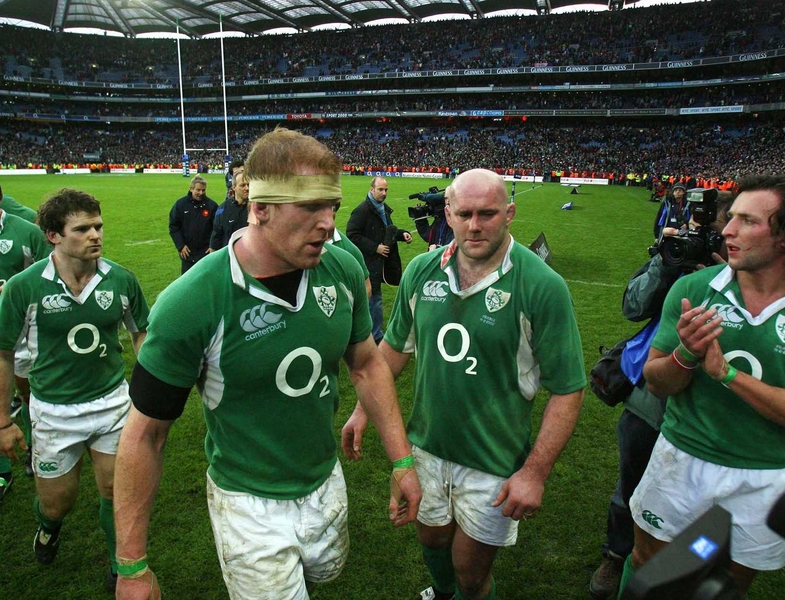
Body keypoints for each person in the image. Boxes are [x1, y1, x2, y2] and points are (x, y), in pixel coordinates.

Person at [113, 128, 421, 600]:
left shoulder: (341, 268)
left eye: (332, 207)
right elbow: (145, 434)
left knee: (322, 577)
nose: (326, 223)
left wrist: (401, 459)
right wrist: (132, 566)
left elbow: (365, 363)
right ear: (259, 208)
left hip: (325, 480)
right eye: (309, 207)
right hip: (247, 501)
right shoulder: (193, 300)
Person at [342, 169, 587, 600]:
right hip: (426, 447)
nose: (475, 226)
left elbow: (568, 389)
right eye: (465, 214)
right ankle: (441, 592)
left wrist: (534, 472)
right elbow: (393, 350)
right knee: (432, 540)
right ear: (448, 214)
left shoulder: (542, 286)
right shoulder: (422, 271)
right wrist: (364, 408)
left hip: (493, 460)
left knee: (471, 574)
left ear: (509, 214)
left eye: (488, 214)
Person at [620, 175, 785, 597]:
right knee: (650, 562)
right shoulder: (695, 288)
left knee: (721, 582)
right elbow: (657, 382)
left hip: (763, 477)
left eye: (747, 221)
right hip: (681, 460)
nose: (728, 231)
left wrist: (728, 376)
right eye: (730, 218)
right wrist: (685, 354)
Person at [0, 189, 149, 591]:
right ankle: (49, 528)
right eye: (82, 229)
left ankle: (121, 566)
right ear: (53, 235)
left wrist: (150, 388)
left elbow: (141, 335)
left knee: (114, 490)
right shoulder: (24, 288)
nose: (95, 235)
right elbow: (3, 354)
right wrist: (2, 421)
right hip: (52, 411)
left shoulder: (120, 280)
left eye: (98, 226)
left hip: (112, 404)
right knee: (57, 502)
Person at [589, 193, 733, 600]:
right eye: (721, 232)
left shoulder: (759, 282)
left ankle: (696, 560)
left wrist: (723, 277)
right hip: (651, 401)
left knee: (711, 497)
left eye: (722, 235)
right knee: (632, 484)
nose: (728, 238)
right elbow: (633, 306)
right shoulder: (677, 265)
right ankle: (618, 553)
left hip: (718, 407)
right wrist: (664, 264)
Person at [0, 190, 50, 497]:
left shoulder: (26, 232)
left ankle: (31, 444)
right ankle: (3, 469)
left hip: (19, 332)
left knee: (26, 391)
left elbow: (49, 273)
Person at [346, 176, 412, 343]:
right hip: (369, 262)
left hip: (380, 263)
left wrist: (401, 234)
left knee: (373, 298)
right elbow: (352, 235)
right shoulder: (363, 210)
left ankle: (368, 332)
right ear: (371, 190)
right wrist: (375, 247)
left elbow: (387, 230)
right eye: (380, 189)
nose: (384, 193)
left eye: (386, 190)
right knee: (374, 299)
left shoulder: (381, 208)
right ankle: (374, 336)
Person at [168, 175, 218, 274]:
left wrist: (213, 246)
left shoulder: (212, 206)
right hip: (187, 253)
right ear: (191, 189)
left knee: (205, 282)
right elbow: (174, 226)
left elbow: (217, 228)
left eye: (203, 190)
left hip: (206, 253)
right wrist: (180, 245)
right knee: (187, 284)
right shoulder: (180, 204)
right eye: (198, 190)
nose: (201, 193)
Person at [210, 171, 249, 250]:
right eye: (243, 185)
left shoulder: (257, 208)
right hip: (229, 256)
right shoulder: (223, 208)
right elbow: (216, 235)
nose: (247, 188)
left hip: (251, 257)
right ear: (234, 187)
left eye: (248, 185)